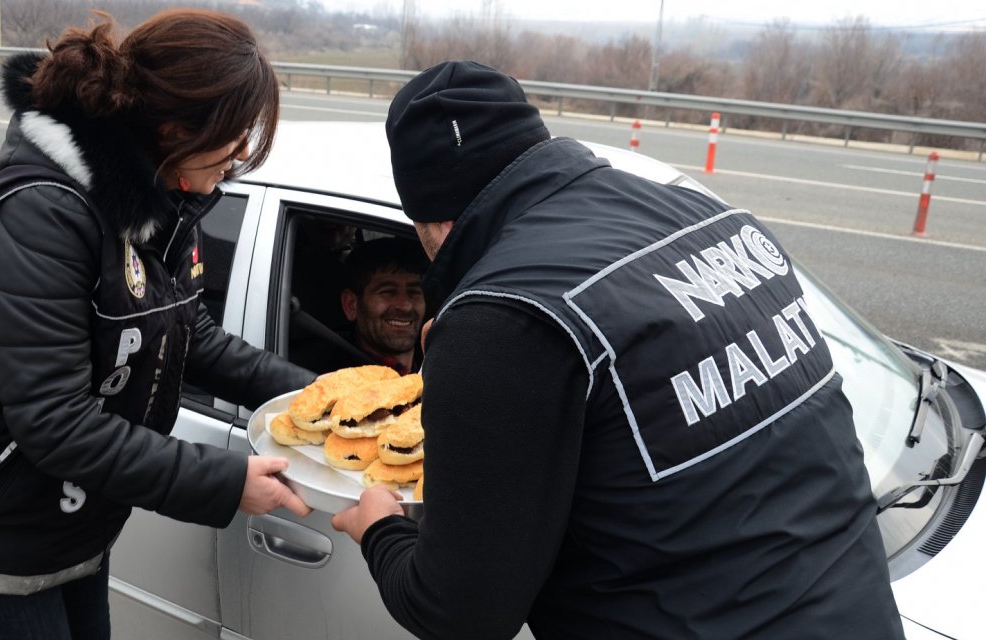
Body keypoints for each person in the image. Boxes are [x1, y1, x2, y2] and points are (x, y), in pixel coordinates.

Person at [331, 61, 902, 639]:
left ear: (431, 217)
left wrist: (379, 529)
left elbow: (458, 612)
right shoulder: (711, 217)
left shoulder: (500, 317)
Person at [0, 10, 315, 639]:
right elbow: (53, 419)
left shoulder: (160, 200)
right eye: (235, 136)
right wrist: (225, 482)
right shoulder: (41, 213)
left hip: (72, 509)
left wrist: (324, 398)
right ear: (173, 129)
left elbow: (194, 337)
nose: (241, 156)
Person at [294, 237, 427, 375]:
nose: (405, 306)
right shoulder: (325, 377)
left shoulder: (436, 360)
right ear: (351, 305)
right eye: (388, 292)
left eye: (414, 292)